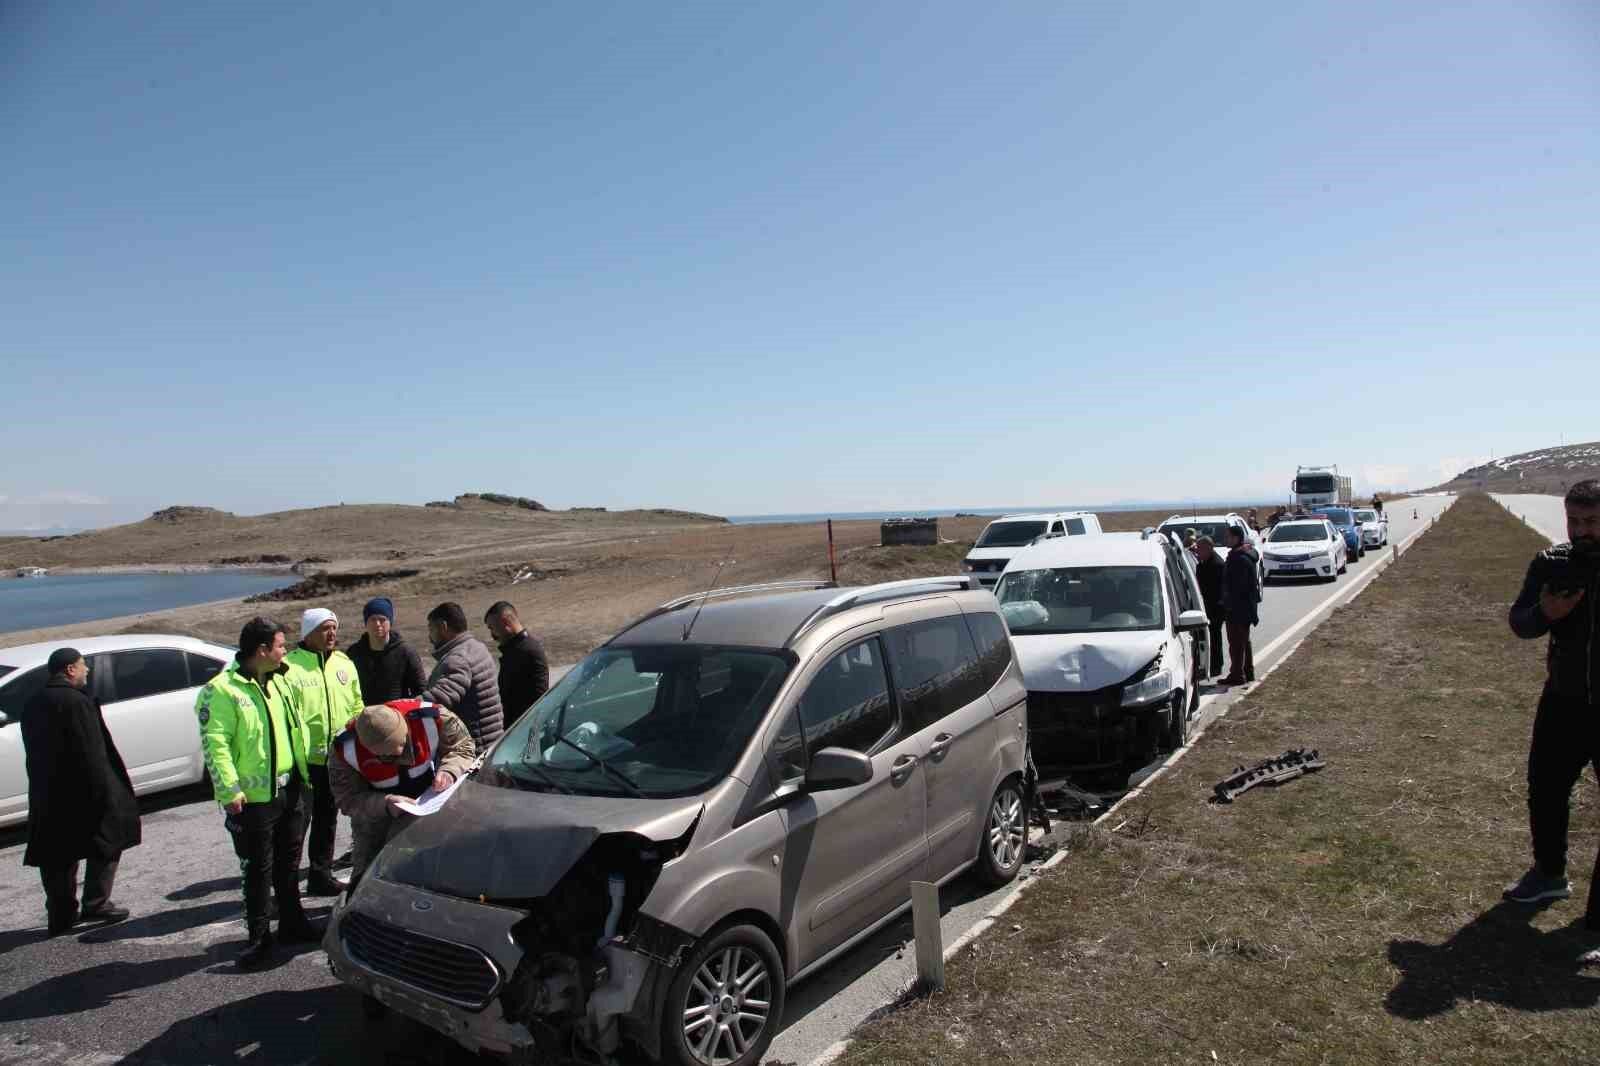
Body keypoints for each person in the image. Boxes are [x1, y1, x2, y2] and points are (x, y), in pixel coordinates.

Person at [1503, 479, 1600, 919]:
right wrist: (1547, 613)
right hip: (1564, 699)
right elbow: (1520, 622)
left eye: (1593, 521)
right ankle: (1549, 875)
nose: (1582, 531)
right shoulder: (1550, 563)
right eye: (1575, 521)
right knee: (1545, 790)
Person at [196, 616, 317, 967]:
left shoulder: (277, 681)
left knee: (289, 863)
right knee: (258, 871)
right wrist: (229, 790)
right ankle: (259, 938)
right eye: (280, 646)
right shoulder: (222, 690)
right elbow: (215, 744)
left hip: (289, 789)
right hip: (253, 800)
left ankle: (293, 923)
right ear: (262, 650)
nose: (285, 652)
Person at [21, 648, 139, 935]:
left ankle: (61, 916)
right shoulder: (77, 702)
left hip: (47, 793)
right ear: (70, 669)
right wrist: (105, 792)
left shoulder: (33, 703)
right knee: (110, 838)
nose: (88, 671)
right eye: (83, 666)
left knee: (57, 856)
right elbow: (91, 752)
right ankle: (96, 903)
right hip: (83, 790)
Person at [328, 700, 476, 887]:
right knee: (366, 877)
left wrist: (449, 770)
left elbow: (463, 746)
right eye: (387, 756)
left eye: (403, 745)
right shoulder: (344, 748)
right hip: (376, 816)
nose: (398, 756)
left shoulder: (433, 716)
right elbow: (347, 799)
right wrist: (385, 803)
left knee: (437, 869)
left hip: (429, 802)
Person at [285, 608, 362, 896]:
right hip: (304, 762)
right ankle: (286, 886)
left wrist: (355, 736)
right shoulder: (290, 667)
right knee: (296, 827)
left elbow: (356, 704)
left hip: (336, 757)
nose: (332, 634)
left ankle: (320, 875)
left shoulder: (344, 663)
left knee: (327, 820)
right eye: (324, 629)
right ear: (308, 633)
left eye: (334, 627)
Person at [426, 601, 505, 750]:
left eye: (431, 629)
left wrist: (405, 707)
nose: (430, 637)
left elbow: (441, 698)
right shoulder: (476, 647)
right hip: (491, 743)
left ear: (443, 627)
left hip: (475, 750)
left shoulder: (459, 658)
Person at [346, 597, 427, 704]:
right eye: (372, 619)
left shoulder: (406, 652)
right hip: (363, 716)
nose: (377, 624)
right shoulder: (354, 653)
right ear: (366, 622)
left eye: (382, 619)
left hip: (398, 716)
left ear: (390, 622)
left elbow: (420, 690)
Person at [484, 600, 550, 728]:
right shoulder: (515, 649)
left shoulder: (529, 651)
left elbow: (539, 700)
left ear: (505, 623)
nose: (492, 635)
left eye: (492, 628)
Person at [1219, 526, 1261, 684]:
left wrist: (1228, 602)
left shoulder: (1240, 558)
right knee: (1243, 641)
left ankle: (1237, 675)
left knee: (1236, 643)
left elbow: (1240, 587)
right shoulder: (1241, 555)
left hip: (1239, 608)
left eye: (1228, 537)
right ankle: (1247, 672)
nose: (1226, 539)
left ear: (1236, 538)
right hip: (1244, 607)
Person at [1192, 537, 1227, 677]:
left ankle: (1216, 666)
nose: (1197, 552)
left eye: (1199, 549)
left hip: (1214, 609)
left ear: (1208, 548)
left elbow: (1216, 590)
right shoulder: (1205, 562)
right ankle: (1210, 665)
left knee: (1214, 638)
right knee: (1209, 638)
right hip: (1208, 607)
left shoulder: (1217, 565)